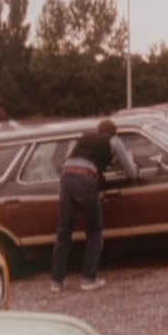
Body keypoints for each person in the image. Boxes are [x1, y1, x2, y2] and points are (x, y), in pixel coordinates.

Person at [50, 119, 139, 292]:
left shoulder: (84, 137)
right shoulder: (113, 141)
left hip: (66, 176)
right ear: (114, 132)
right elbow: (132, 173)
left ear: (98, 130)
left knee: (63, 232)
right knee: (94, 231)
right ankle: (88, 279)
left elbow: (66, 160)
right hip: (86, 178)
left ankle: (56, 282)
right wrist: (130, 159)